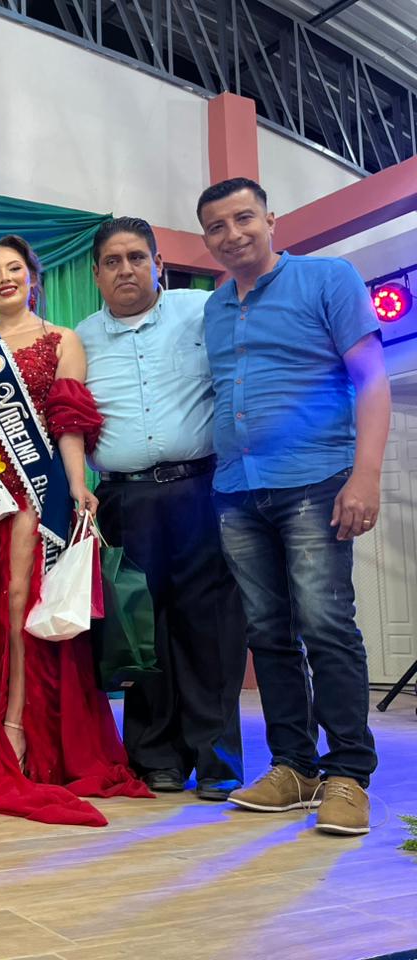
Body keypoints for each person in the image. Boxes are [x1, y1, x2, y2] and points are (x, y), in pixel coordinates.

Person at [0, 234, 151, 827]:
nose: (4, 278)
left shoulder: (62, 340)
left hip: (36, 489)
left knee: (21, 604)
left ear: (33, 277)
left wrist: (78, 486)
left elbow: (67, 423)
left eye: (14, 268)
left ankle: (19, 725)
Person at [197, 178, 390, 836]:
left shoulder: (328, 279)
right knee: (267, 633)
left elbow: (371, 379)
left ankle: (348, 774)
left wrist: (365, 476)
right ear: (207, 239)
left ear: (271, 219)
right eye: (217, 226)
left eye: (244, 218)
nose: (232, 234)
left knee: (326, 624)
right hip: (236, 489)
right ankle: (294, 768)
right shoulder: (214, 308)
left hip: (316, 479)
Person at [76, 218, 247, 800]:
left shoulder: (200, 311)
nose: (126, 269)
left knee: (211, 625)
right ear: (96, 274)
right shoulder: (81, 339)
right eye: (112, 261)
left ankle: (217, 759)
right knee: (140, 629)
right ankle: (156, 758)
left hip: (203, 489)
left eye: (136, 257)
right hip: (124, 498)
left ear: (158, 265)